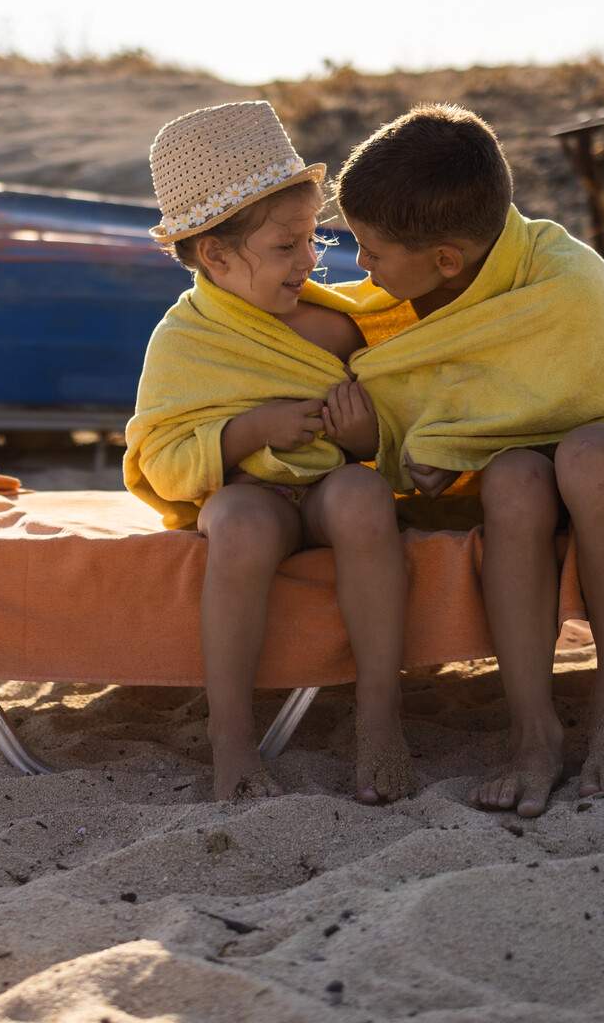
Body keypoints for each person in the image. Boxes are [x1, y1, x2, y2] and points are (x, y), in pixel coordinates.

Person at [303, 104, 604, 816]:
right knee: (517, 479)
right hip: (531, 470)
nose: (360, 265)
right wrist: (421, 444)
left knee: (585, 456)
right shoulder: (409, 297)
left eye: (371, 250)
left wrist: (450, 443)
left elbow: (581, 397)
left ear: (446, 260)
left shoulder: (564, 283)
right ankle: (533, 732)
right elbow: (438, 413)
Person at [122, 101, 413, 805]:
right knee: (241, 525)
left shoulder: (337, 327)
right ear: (216, 255)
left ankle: (380, 716)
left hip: (326, 491)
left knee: (363, 497)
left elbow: (402, 426)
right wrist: (251, 431)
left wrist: (363, 437)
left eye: (311, 238)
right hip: (251, 494)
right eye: (287, 247)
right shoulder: (184, 339)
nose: (310, 259)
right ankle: (231, 737)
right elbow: (160, 455)